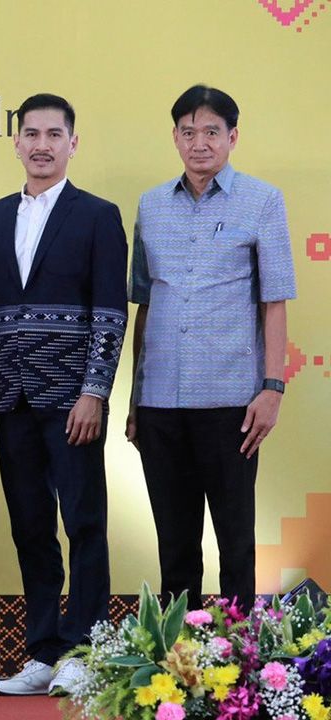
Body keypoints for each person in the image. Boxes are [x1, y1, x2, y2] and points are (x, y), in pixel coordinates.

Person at [0, 94, 128, 696]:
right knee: (30, 525)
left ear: (72, 143)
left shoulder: (97, 215)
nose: (41, 144)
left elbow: (111, 314)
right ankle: (42, 651)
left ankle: (85, 647)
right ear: (15, 141)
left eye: (54, 134)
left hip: (72, 399)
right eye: (30, 133)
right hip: (10, 397)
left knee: (84, 521)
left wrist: (95, 392)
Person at [126, 84, 296, 612]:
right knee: (174, 547)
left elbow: (274, 302)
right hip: (160, 405)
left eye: (212, 132)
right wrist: (134, 399)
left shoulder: (262, 200)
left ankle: (238, 660)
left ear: (233, 137)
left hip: (231, 403)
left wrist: (272, 388)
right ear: (175, 138)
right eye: (188, 131)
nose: (199, 142)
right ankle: (176, 663)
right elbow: (144, 305)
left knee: (236, 543)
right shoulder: (151, 206)